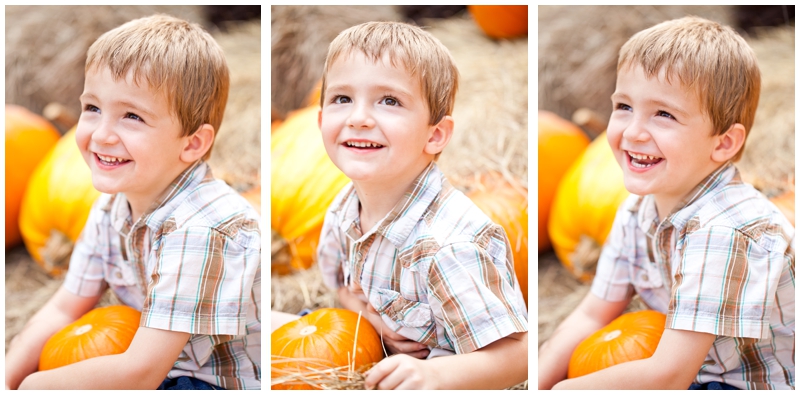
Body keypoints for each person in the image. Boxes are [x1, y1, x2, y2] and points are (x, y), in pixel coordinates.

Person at [5, 14, 261, 390]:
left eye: (131, 116)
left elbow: (140, 372)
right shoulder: (111, 208)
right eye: (92, 108)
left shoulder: (203, 231)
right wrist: (9, 378)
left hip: (212, 381)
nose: (101, 134)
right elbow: (63, 308)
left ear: (192, 144)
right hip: (159, 365)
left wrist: (34, 387)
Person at [538, 16, 794, 390]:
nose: (633, 131)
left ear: (723, 143)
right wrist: (539, 383)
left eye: (664, 114)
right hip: (688, 370)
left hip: (744, 383)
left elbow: (670, 375)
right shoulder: (637, 210)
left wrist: (567, 390)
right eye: (624, 106)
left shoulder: (725, 233)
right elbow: (592, 316)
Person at [312, 21, 528, 390]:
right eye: (342, 99)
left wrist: (433, 375)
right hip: (381, 362)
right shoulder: (343, 209)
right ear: (319, 121)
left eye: (390, 101)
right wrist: (375, 321)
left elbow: (519, 357)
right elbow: (341, 286)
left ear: (435, 134)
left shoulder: (449, 246)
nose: (358, 118)